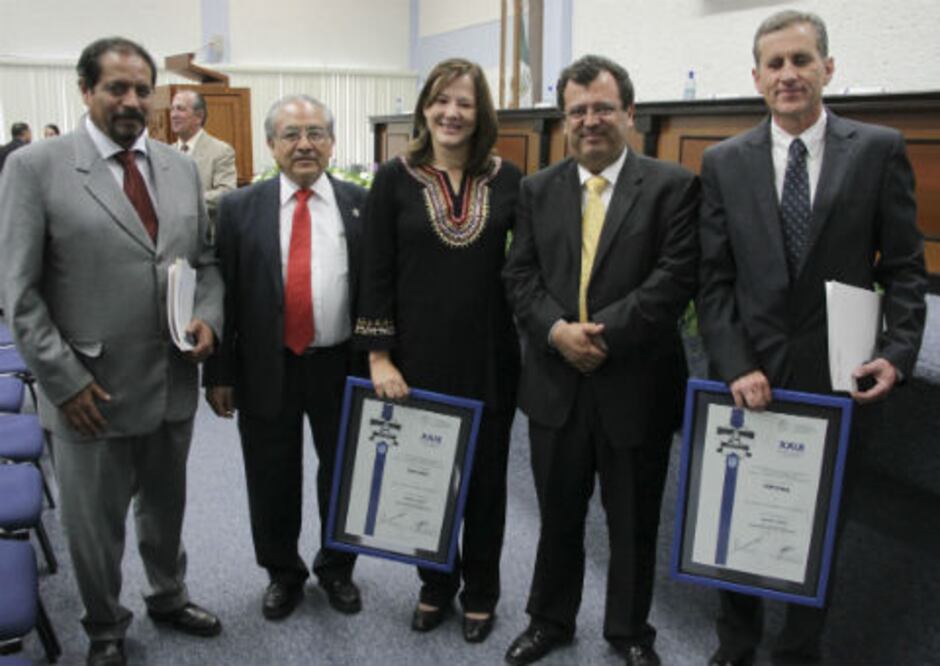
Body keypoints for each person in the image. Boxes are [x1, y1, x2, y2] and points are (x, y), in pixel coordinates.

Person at [696, 10, 927, 666]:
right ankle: (735, 644)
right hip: (747, 377)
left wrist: (897, 353)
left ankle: (799, 653)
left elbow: (906, 269)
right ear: (756, 78)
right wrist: (735, 363)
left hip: (838, 380)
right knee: (737, 514)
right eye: (775, 64)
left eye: (801, 60)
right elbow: (713, 280)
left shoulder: (878, 150)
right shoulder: (722, 161)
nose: (789, 74)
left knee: (817, 527)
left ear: (828, 68)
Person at [0, 37, 224, 666]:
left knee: (165, 508)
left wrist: (209, 317)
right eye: (116, 88)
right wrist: (63, 381)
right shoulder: (36, 167)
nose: (132, 101)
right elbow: (18, 293)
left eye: (142, 90)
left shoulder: (178, 168)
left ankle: (168, 596)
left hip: (171, 379)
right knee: (93, 528)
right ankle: (104, 626)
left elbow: (205, 263)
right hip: (88, 390)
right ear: (86, 91)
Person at [502, 54, 699, 666]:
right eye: (578, 110)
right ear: (565, 119)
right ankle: (549, 620)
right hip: (555, 384)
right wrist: (557, 332)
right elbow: (520, 275)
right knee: (558, 514)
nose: (590, 121)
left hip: (635, 384)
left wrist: (601, 336)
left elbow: (675, 278)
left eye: (603, 108)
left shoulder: (673, 186)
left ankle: (630, 631)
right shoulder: (537, 189)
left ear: (630, 113)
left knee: (633, 521)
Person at [354, 58, 522, 644]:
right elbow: (375, 270)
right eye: (441, 100)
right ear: (425, 107)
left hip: (489, 356)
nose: (452, 112)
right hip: (415, 359)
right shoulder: (395, 178)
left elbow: (526, 268)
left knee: (486, 484)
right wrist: (379, 356)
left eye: (465, 103)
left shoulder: (509, 179)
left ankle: (481, 591)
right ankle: (435, 582)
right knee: (425, 475)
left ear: (481, 114)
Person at [203, 94, 365, 621]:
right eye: (291, 134)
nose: (304, 144)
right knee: (271, 474)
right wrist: (219, 373)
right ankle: (282, 572)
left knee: (344, 471)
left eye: (316, 133)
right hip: (265, 365)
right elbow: (223, 295)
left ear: (332, 142)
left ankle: (337, 568)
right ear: (271, 145)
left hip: (341, 365)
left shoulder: (361, 204)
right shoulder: (239, 208)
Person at [170, 89, 237, 230]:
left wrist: (187, 201)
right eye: (172, 109)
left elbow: (227, 192)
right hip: (172, 234)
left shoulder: (220, 151)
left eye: (180, 109)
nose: (173, 115)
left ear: (199, 116)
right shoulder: (166, 152)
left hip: (205, 234)